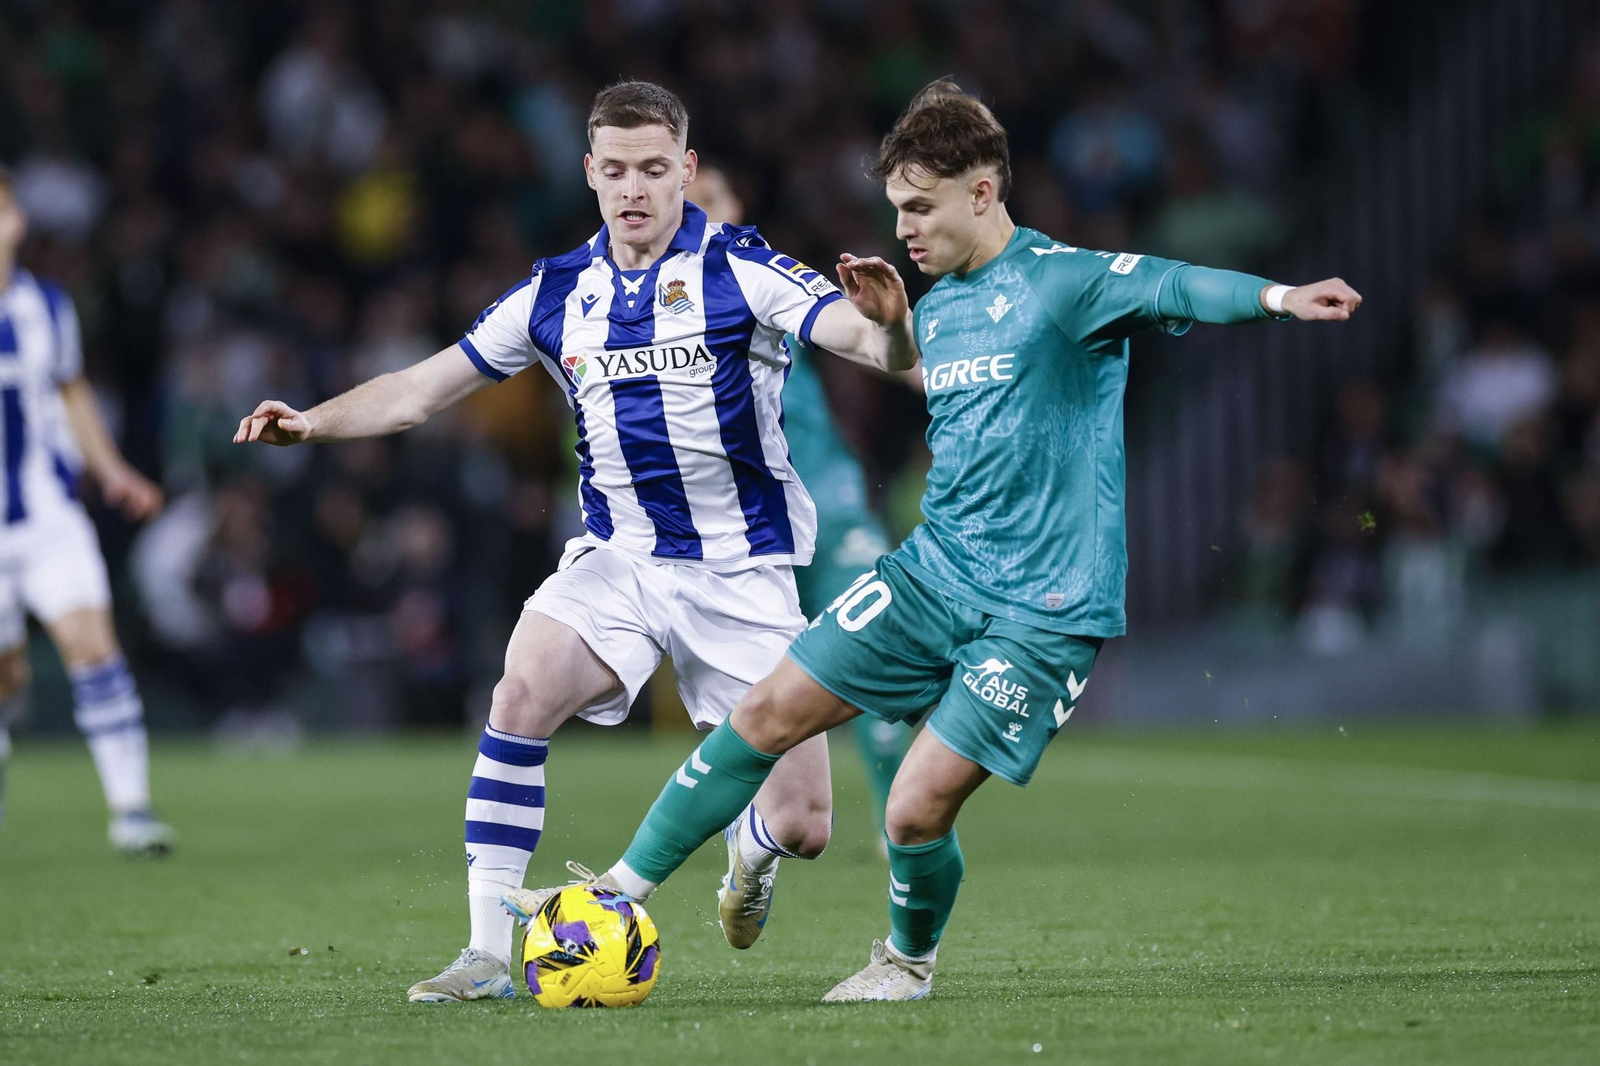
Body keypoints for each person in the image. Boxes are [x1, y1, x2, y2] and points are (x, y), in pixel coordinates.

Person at [511, 80, 1363, 1002]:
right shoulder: (936, 307)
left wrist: (1278, 296)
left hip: (1042, 609)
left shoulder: (1064, 282)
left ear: (983, 193)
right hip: (933, 574)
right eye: (896, 209)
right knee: (764, 714)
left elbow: (1171, 281)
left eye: (920, 207)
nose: (906, 230)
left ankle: (906, 963)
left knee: (913, 810)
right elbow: (906, 369)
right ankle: (615, 895)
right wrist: (888, 324)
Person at [232, 81, 917, 1003]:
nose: (635, 188)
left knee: (803, 824)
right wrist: (312, 422)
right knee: (521, 690)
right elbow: (420, 388)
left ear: (688, 172)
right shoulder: (556, 293)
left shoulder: (742, 269)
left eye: (655, 169)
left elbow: (865, 345)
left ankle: (747, 860)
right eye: (618, 170)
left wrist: (888, 320)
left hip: (743, 574)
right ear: (590, 173)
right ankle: (483, 956)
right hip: (620, 561)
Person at [686, 165, 911, 857]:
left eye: (710, 200)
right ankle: (750, 833)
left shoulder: (767, 283)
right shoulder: (648, 320)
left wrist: (943, 380)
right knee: (753, 706)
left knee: (882, 659)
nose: (698, 215)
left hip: (832, 510)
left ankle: (901, 824)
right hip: (748, 538)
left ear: (738, 205)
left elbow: (870, 344)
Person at [0, 165, 174, 853]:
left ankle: (131, 811)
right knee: (7, 678)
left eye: (8, 203)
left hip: (47, 515)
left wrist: (112, 471)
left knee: (92, 646)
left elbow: (71, 396)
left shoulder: (47, 305)